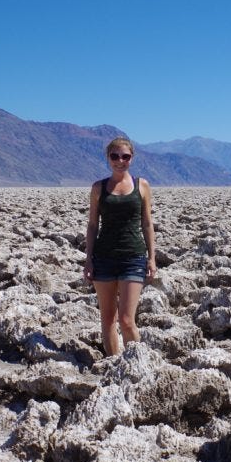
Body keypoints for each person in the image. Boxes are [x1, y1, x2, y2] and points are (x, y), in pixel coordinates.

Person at [83, 137, 157, 356]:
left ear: (131, 158)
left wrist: (152, 258)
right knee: (107, 319)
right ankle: (114, 366)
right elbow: (92, 225)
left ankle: (138, 365)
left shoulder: (141, 185)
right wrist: (88, 259)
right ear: (108, 158)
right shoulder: (98, 188)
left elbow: (147, 223)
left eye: (125, 156)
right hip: (104, 258)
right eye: (115, 156)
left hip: (133, 258)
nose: (120, 161)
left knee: (126, 320)